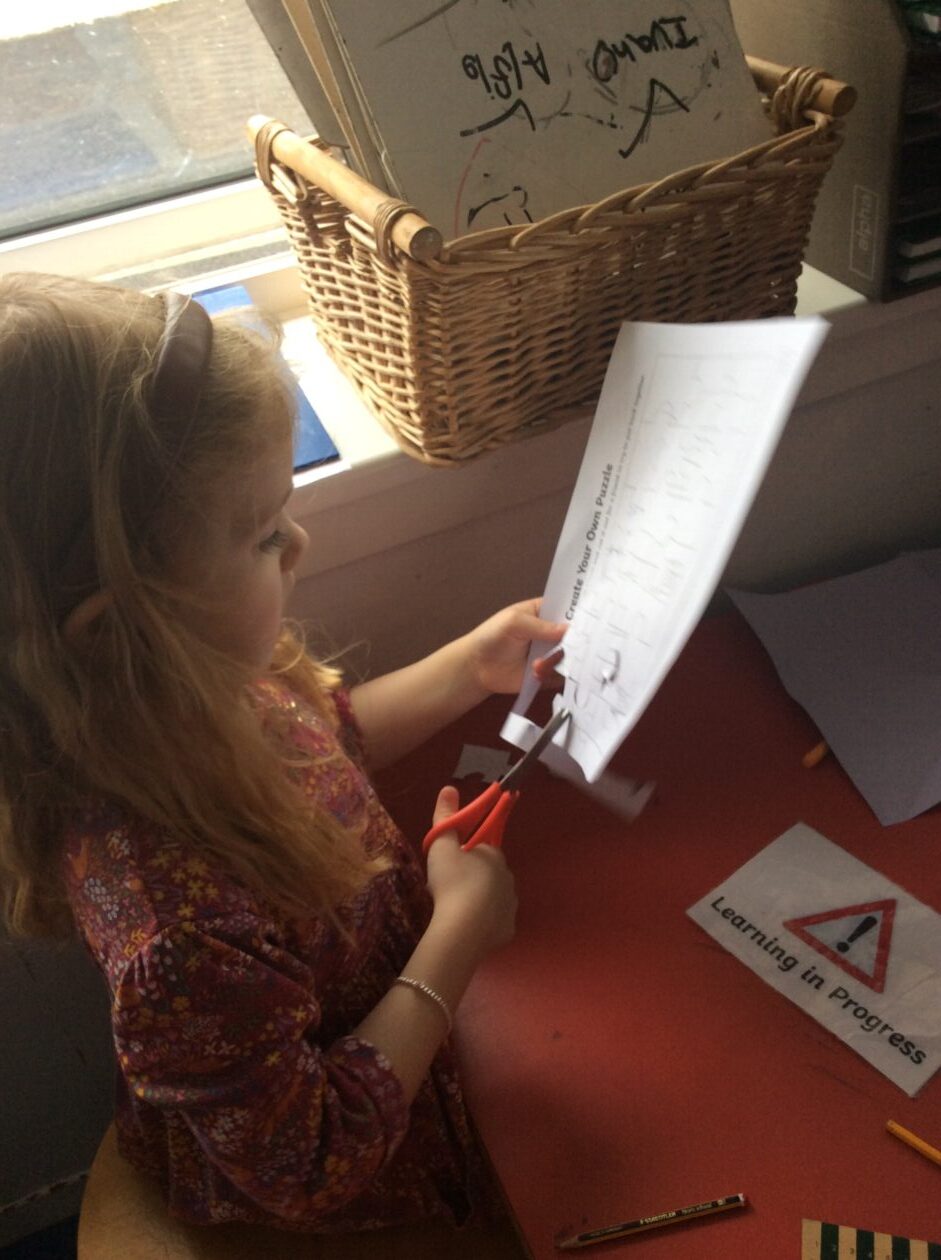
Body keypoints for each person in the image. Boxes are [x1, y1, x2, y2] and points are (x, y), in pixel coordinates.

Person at [0, 273, 565, 1245]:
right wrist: (458, 936)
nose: (299, 544)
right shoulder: (176, 937)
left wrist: (466, 668)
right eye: (264, 535)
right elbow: (312, 1161)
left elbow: (323, 738)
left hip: (400, 1050)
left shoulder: (184, 698)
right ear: (123, 630)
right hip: (354, 1206)